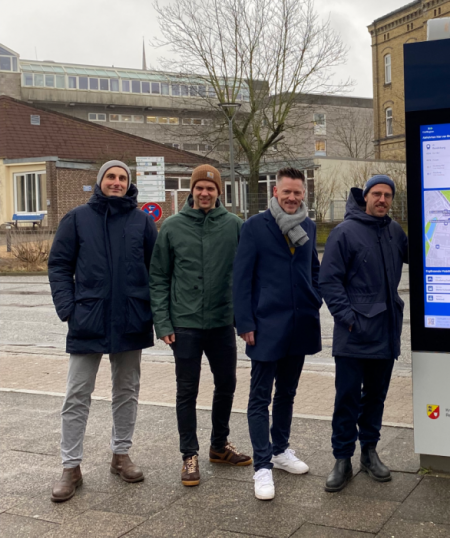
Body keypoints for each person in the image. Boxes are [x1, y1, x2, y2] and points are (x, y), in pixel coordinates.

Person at [48, 160, 157, 502]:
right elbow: (59, 265)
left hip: (130, 318)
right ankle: (70, 467)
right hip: (88, 319)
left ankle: (120, 455)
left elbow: (156, 271)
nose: (116, 182)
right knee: (77, 394)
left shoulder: (142, 222)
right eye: (110, 176)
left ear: (129, 183)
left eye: (122, 177)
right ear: (100, 181)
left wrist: (151, 310)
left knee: (127, 390)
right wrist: (69, 309)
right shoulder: (77, 218)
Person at [149, 164, 251, 486]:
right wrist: (163, 322)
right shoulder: (172, 227)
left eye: (211, 188)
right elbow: (159, 278)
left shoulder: (234, 226)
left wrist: (244, 319)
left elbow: (247, 275)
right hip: (186, 324)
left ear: (219, 192)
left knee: (227, 385)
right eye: (199, 188)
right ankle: (188, 454)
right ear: (191, 191)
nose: (204, 193)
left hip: (222, 322)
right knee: (187, 391)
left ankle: (219, 446)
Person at [232, 167, 322, 500]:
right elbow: (241, 279)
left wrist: (315, 299)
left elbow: (314, 268)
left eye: (298, 193)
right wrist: (245, 323)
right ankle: (262, 465)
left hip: (299, 324)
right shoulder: (254, 227)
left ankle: (281, 450)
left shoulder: (308, 226)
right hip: (265, 326)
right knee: (259, 397)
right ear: (275, 191)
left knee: (287, 392)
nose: (292, 197)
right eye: (287, 192)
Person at [319, 175, 408, 492]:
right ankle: (342, 459)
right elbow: (329, 281)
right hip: (353, 335)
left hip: (385, 333)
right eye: (377, 194)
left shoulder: (396, 233)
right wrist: (348, 318)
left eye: (387, 195)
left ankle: (369, 452)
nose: (382, 200)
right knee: (346, 399)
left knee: (375, 398)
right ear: (365, 196)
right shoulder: (344, 232)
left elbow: (425, 258)